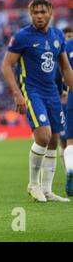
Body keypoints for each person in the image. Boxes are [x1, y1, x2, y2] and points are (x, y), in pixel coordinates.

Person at [2, 0, 73, 203]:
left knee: (52, 140)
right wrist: (17, 93)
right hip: (32, 92)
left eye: (43, 12)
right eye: (35, 13)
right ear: (30, 14)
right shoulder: (22, 37)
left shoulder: (58, 36)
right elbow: (7, 66)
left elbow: (65, 67)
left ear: (51, 12)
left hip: (52, 93)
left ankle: (47, 190)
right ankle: (33, 184)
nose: (39, 16)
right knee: (43, 136)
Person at [57, 27, 73, 171]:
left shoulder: (67, 51)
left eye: (70, 35)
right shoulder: (62, 51)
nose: (67, 38)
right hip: (63, 100)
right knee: (63, 140)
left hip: (69, 99)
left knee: (69, 140)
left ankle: (69, 169)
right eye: (65, 36)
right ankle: (67, 168)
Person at [62, 36, 73, 195]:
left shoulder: (68, 46)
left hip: (71, 94)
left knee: (70, 141)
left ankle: (70, 169)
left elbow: (62, 71)